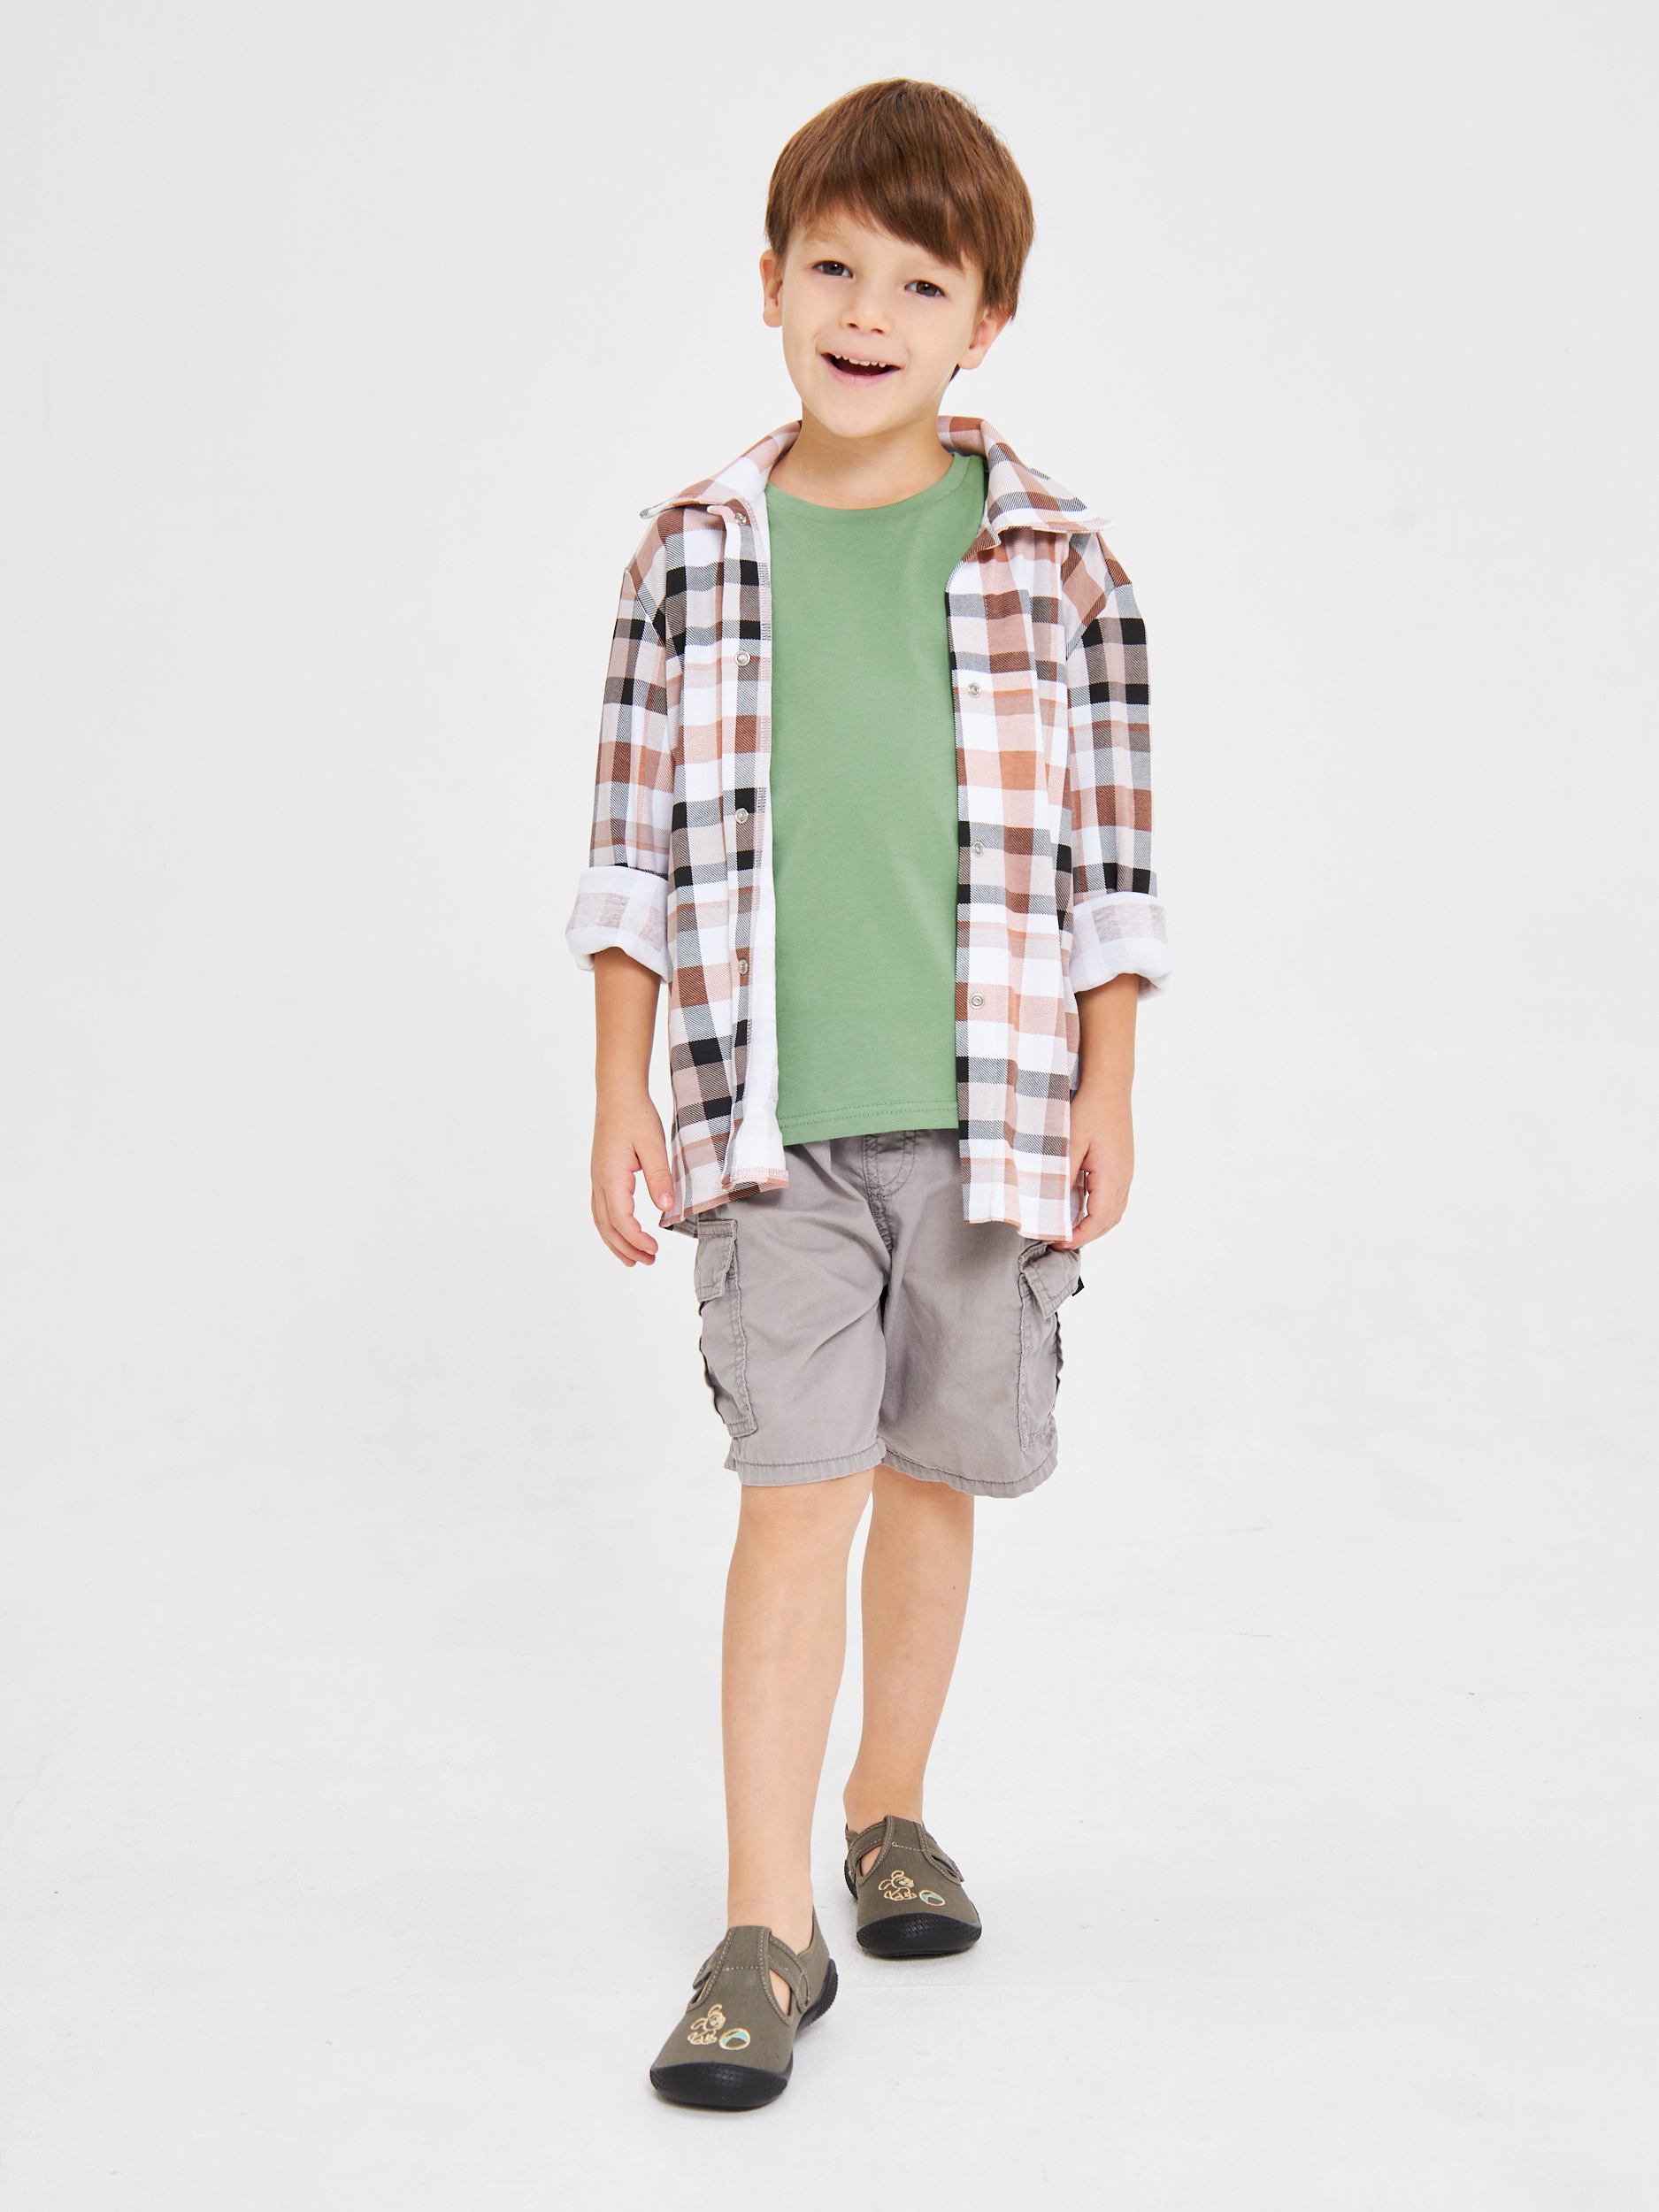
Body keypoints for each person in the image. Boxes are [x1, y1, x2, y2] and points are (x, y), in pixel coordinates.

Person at [565, 78, 1170, 2110]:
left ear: (984, 320)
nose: (865, 313)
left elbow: (1111, 869)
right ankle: (766, 1927)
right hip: (767, 1125)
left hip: (990, 1118)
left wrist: (1108, 1086)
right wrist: (617, 1086)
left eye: (919, 283)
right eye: (831, 267)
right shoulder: (691, 553)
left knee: (930, 1477)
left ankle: (884, 1804)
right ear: (767, 282)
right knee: (793, 1488)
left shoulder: (1059, 564)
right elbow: (627, 852)